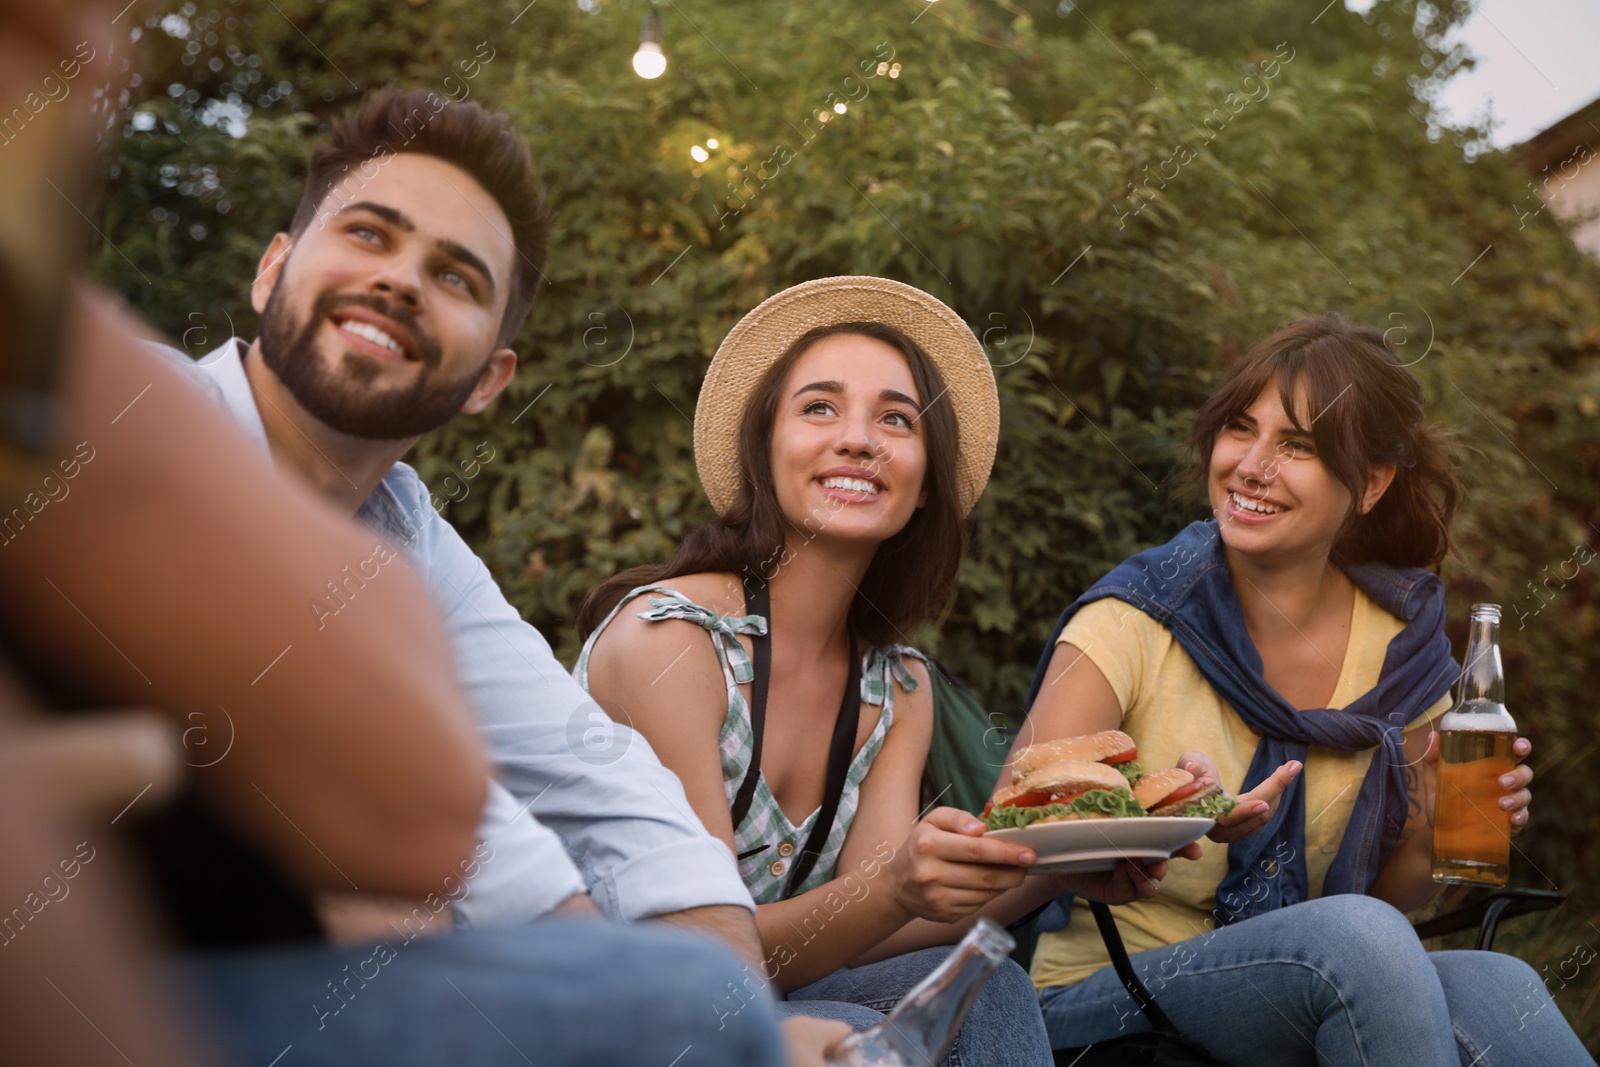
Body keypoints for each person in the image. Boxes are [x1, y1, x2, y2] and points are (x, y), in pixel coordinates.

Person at [137, 85, 844, 1062]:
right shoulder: (133, 419)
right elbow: (445, 813)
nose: (400, 281)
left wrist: (727, 1015)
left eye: (455, 276)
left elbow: (601, 783)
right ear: (272, 269)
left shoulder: (410, 539)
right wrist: (673, 1016)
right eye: (370, 234)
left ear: (487, 381)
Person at [575, 276, 1198, 1065]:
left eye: (896, 419)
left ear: (927, 479)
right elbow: (703, 949)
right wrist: (893, 885)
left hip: (767, 999)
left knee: (984, 983)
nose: (859, 439)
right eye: (819, 407)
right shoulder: (670, 645)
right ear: (765, 447)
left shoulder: (897, 685)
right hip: (610, 1010)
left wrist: (1062, 862)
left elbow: (884, 926)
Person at [1021, 313, 1592, 1064]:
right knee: (1359, 939)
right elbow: (1019, 825)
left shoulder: (1404, 657)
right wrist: (1173, 816)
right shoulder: (1133, 619)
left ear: (1372, 484)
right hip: (1105, 990)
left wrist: (1428, 824)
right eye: (1240, 428)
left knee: (1498, 982)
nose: (1252, 466)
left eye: (1297, 445)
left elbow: (1382, 912)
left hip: (1311, 972)